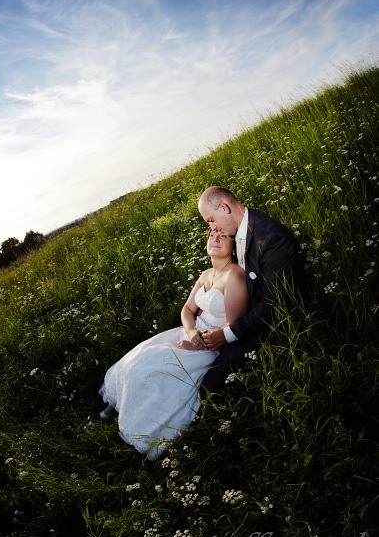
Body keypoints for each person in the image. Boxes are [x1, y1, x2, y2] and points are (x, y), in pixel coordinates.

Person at [99, 228, 248, 459]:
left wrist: (198, 342)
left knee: (148, 368)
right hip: (189, 333)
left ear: (234, 244)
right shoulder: (206, 274)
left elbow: (232, 326)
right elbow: (188, 309)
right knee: (137, 356)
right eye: (211, 236)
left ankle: (137, 427)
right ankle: (117, 405)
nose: (215, 239)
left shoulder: (235, 276)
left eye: (223, 236)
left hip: (210, 345)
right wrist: (189, 332)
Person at [197, 185, 306, 393]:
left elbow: (276, 304)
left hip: (274, 325)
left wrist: (227, 334)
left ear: (224, 208)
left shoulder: (272, 239)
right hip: (245, 318)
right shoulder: (238, 231)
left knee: (209, 382)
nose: (213, 228)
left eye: (211, 219)